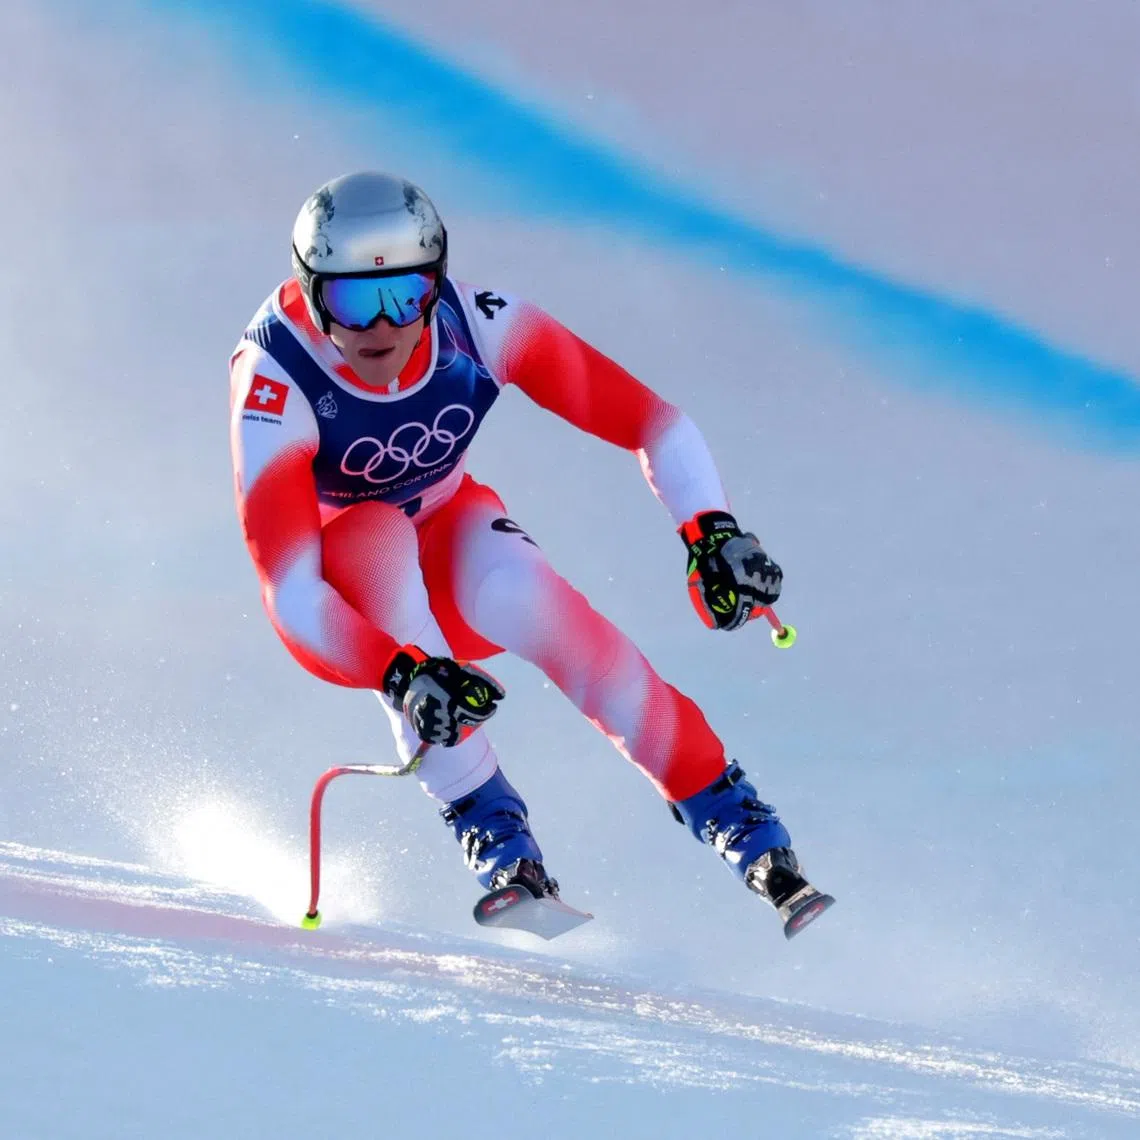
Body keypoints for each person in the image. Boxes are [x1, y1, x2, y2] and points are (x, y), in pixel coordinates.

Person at [228, 171, 834, 938]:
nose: (381, 326)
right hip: (348, 598)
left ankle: (736, 817)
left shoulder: (484, 325)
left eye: (404, 296)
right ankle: (495, 834)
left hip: (450, 533)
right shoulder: (275, 378)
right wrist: (398, 669)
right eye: (352, 300)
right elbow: (289, 588)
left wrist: (710, 530)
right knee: (371, 536)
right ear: (310, 293)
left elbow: (655, 424)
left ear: (436, 286)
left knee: (535, 602)